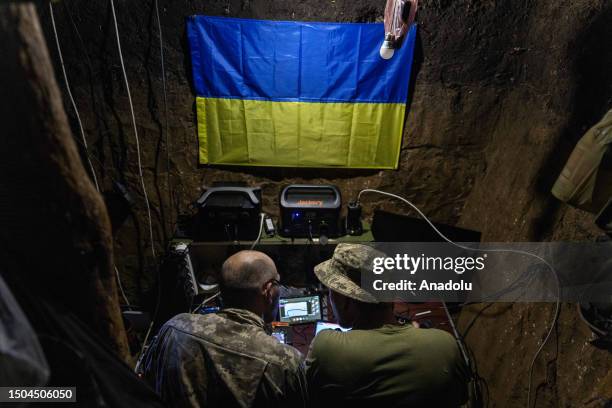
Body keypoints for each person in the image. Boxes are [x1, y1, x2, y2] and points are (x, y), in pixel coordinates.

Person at [305, 243, 470, 407]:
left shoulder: (326, 347)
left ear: (346, 298)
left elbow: (308, 399)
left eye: (331, 291)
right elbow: (460, 397)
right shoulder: (445, 345)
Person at [143, 250, 307, 408]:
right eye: (278, 283)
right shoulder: (285, 361)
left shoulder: (173, 327)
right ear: (268, 291)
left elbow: (147, 381)